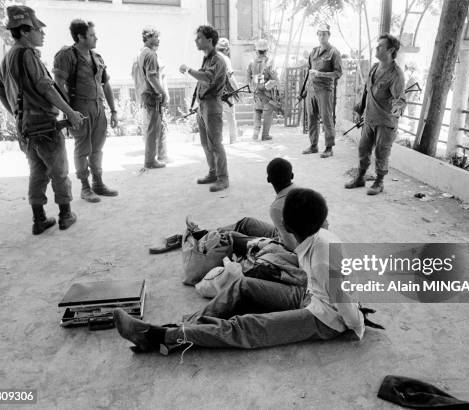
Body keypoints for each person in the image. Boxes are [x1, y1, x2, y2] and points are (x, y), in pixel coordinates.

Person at [113, 187, 366, 353]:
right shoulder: (317, 237)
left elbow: (345, 307)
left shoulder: (323, 258)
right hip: (312, 296)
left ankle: (160, 336)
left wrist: (357, 326)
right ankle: (186, 325)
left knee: (246, 326)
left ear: (287, 226)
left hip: (326, 319)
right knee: (242, 286)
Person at [0, 6, 83, 235]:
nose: (42, 32)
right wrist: (70, 112)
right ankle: (65, 215)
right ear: (24, 31)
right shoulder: (27, 54)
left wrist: (16, 111)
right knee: (59, 171)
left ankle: (39, 220)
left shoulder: (8, 57)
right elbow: (46, 88)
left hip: (25, 128)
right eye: (38, 28)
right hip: (44, 124)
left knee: (37, 172)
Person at [149, 157, 297, 254]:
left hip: (294, 250)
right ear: (292, 176)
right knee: (246, 223)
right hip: (291, 239)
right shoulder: (301, 192)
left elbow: (292, 247)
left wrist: (268, 244)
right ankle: (201, 234)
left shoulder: (277, 208)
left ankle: (194, 239)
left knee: (231, 238)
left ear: (268, 179)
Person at [53, 19, 118, 203]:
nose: (96, 37)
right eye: (91, 35)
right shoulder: (67, 55)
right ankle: (85, 187)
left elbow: (106, 85)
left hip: (98, 107)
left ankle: (98, 183)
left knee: (97, 148)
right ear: (80, 37)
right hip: (79, 107)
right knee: (83, 148)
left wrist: (113, 111)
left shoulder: (97, 57)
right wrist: (69, 110)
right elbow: (57, 84)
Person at [345, 34, 406, 195]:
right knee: (363, 149)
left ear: (391, 50)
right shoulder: (374, 67)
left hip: (385, 122)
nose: (376, 48)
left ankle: (379, 182)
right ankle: (360, 177)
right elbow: (367, 90)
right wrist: (360, 109)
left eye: (380, 46)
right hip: (370, 118)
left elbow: (400, 99)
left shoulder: (396, 75)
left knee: (381, 152)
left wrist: (397, 108)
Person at [180, 25, 229, 192]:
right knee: (205, 143)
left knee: (215, 143)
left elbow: (207, 77)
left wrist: (188, 70)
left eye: (199, 37)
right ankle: (213, 173)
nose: (196, 40)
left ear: (209, 40)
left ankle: (223, 179)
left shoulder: (217, 60)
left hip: (212, 105)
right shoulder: (208, 58)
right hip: (203, 105)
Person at [301, 23, 342, 158]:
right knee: (311, 118)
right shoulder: (313, 51)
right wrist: (306, 89)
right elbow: (309, 71)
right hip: (312, 89)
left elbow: (338, 73)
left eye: (324, 33)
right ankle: (313, 145)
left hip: (325, 89)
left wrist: (320, 74)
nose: (321, 36)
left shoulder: (334, 52)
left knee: (326, 117)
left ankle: (329, 147)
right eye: (319, 33)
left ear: (329, 35)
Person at [136, 27, 167, 169]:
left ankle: (151, 159)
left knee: (152, 128)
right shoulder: (151, 54)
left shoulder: (142, 53)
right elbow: (152, 76)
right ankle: (150, 161)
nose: (158, 40)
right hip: (151, 95)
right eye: (155, 37)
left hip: (145, 93)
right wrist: (163, 92)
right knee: (153, 129)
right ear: (148, 38)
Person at [246, 39, 279, 141]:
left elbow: (248, 78)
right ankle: (265, 135)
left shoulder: (252, 63)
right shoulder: (270, 62)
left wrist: (254, 87)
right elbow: (275, 79)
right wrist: (269, 85)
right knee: (268, 114)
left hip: (256, 93)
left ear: (257, 51)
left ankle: (255, 134)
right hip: (267, 94)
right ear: (266, 50)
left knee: (257, 112)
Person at [216, 38, 238, 144]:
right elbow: (231, 77)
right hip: (225, 93)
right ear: (226, 49)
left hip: (213, 94)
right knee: (231, 117)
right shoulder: (225, 59)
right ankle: (233, 140)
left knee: (217, 118)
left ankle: (218, 140)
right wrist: (237, 90)